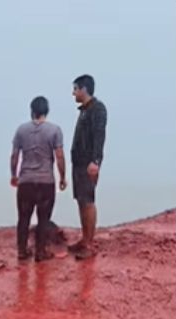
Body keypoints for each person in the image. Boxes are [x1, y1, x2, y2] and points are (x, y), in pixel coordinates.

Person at [11, 95, 66, 262]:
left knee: (23, 218)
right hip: (45, 181)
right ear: (46, 111)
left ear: (32, 111)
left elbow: (14, 156)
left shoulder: (21, 130)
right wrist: (62, 177)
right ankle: (40, 252)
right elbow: (59, 156)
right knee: (43, 219)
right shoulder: (55, 130)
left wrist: (14, 175)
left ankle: (22, 250)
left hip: (26, 181)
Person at [69, 74, 107, 260]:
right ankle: (84, 239)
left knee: (88, 201)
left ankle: (89, 245)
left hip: (88, 164)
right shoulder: (84, 110)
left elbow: (99, 136)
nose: (73, 93)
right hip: (78, 164)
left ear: (84, 89)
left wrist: (96, 161)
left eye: (75, 89)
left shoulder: (97, 109)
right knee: (81, 200)